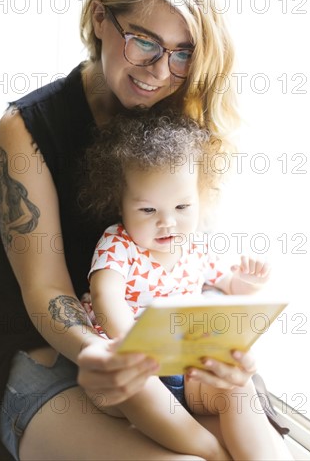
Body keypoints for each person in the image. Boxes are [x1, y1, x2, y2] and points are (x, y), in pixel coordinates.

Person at [0, 0, 292, 461]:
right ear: (100, 18)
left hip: (162, 352)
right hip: (47, 355)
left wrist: (215, 334)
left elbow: (184, 260)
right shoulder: (26, 126)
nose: (161, 71)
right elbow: (47, 292)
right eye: (144, 41)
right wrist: (106, 352)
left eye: (182, 52)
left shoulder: (179, 117)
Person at [80, 110, 288, 461]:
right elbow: (105, 295)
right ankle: (210, 452)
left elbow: (227, 286)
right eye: (148, 210)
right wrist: (135, 346)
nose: (167, 222)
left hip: (186, 369)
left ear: (199, 199)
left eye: (181, 206)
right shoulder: (119, 244)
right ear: (120, 204)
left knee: (237, 388)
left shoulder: (193, 246)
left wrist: (246, 282)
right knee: (141, 391)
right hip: (131, 374)